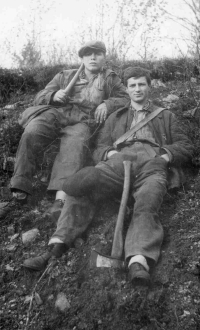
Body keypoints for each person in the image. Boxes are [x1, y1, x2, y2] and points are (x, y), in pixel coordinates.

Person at [23, 67, 193, 285]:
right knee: (83, 188)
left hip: (153, 163)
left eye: (142, 84)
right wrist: (109, 153)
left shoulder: (166, 116)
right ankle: (56, 245)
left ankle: (138, 260)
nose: (137, 89)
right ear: (128, 89)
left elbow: (184, 146)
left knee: (147, 202)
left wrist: (164, 157)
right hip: (117, 162)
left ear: (149, 87)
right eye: (132, 85)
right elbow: (99, 146)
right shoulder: (115, 117)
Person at [0, 41, 128, 220]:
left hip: (82, 120)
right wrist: (53, 95)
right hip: (55, 114)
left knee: (75, 142)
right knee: (33, 130)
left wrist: (108, 103)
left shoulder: (110, 78)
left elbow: (125, 97)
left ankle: (60, 199)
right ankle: (20, 186)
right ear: (82, 58)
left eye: (97, 54)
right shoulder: (64, 76)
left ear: (104, 57)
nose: (93, 57)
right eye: (88, 54)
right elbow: (39, 96)